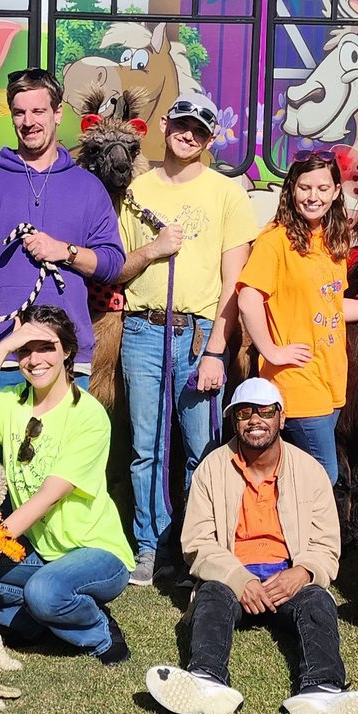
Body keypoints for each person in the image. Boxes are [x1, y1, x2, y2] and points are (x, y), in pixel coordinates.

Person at [144, 378, 358, 714]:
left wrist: (302, 572)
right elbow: (197, 542)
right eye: (245, 413)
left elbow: (326, 545)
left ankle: (322, 690)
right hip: (234, 576)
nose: (255, 420)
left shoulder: (310, 471)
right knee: (212, 596)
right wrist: (237, 579)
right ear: (234, 421)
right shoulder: (211, 469)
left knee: (318, 601)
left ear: (282, 418)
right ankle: (205, 680)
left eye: (265, 411)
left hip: (285, 577)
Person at [112, 91, 257, 585]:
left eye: (199, 128)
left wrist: (217, 349)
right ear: (164, 126)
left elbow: (234, 282)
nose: (188, 134)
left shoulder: (226, 193)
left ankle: (199, 548)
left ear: (210, 138)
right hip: (142, 330)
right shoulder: (138, 191)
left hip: (198, 337)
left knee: (204, 448)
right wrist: (154, 249)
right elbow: (118, 268)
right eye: (181, 123)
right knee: (146, 448)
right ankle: (151, 548)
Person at [0, 305, 135, 665]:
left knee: (42, 591)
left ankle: (99, 630)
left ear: (66, 352)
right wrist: (1, 349)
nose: (34, 360)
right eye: (25, 349)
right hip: (40, 552)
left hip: (97, 553)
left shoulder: (89, 415)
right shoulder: (11, 401)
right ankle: (39, 622)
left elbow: (48, 497)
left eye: (45, 347)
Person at [0, 69, 124, 390]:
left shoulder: (88, 186)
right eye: (19, 113)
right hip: (2, 349)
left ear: (57, 114)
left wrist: (65, 252)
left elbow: (112, 263)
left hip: (66, 351)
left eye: (38, 111)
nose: (28, 122)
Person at [236, 152, 358, 483]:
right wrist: (272, 351)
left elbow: (333, 306)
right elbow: (248, 300)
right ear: (291, 190)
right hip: (297, 381)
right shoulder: (275, 240)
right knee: (323, 478)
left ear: (336, 191)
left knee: (299, 478)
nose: (312, 197)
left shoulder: (332, 241)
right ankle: (309, 536)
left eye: (322, 188)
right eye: (304, 187)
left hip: (331, 380)